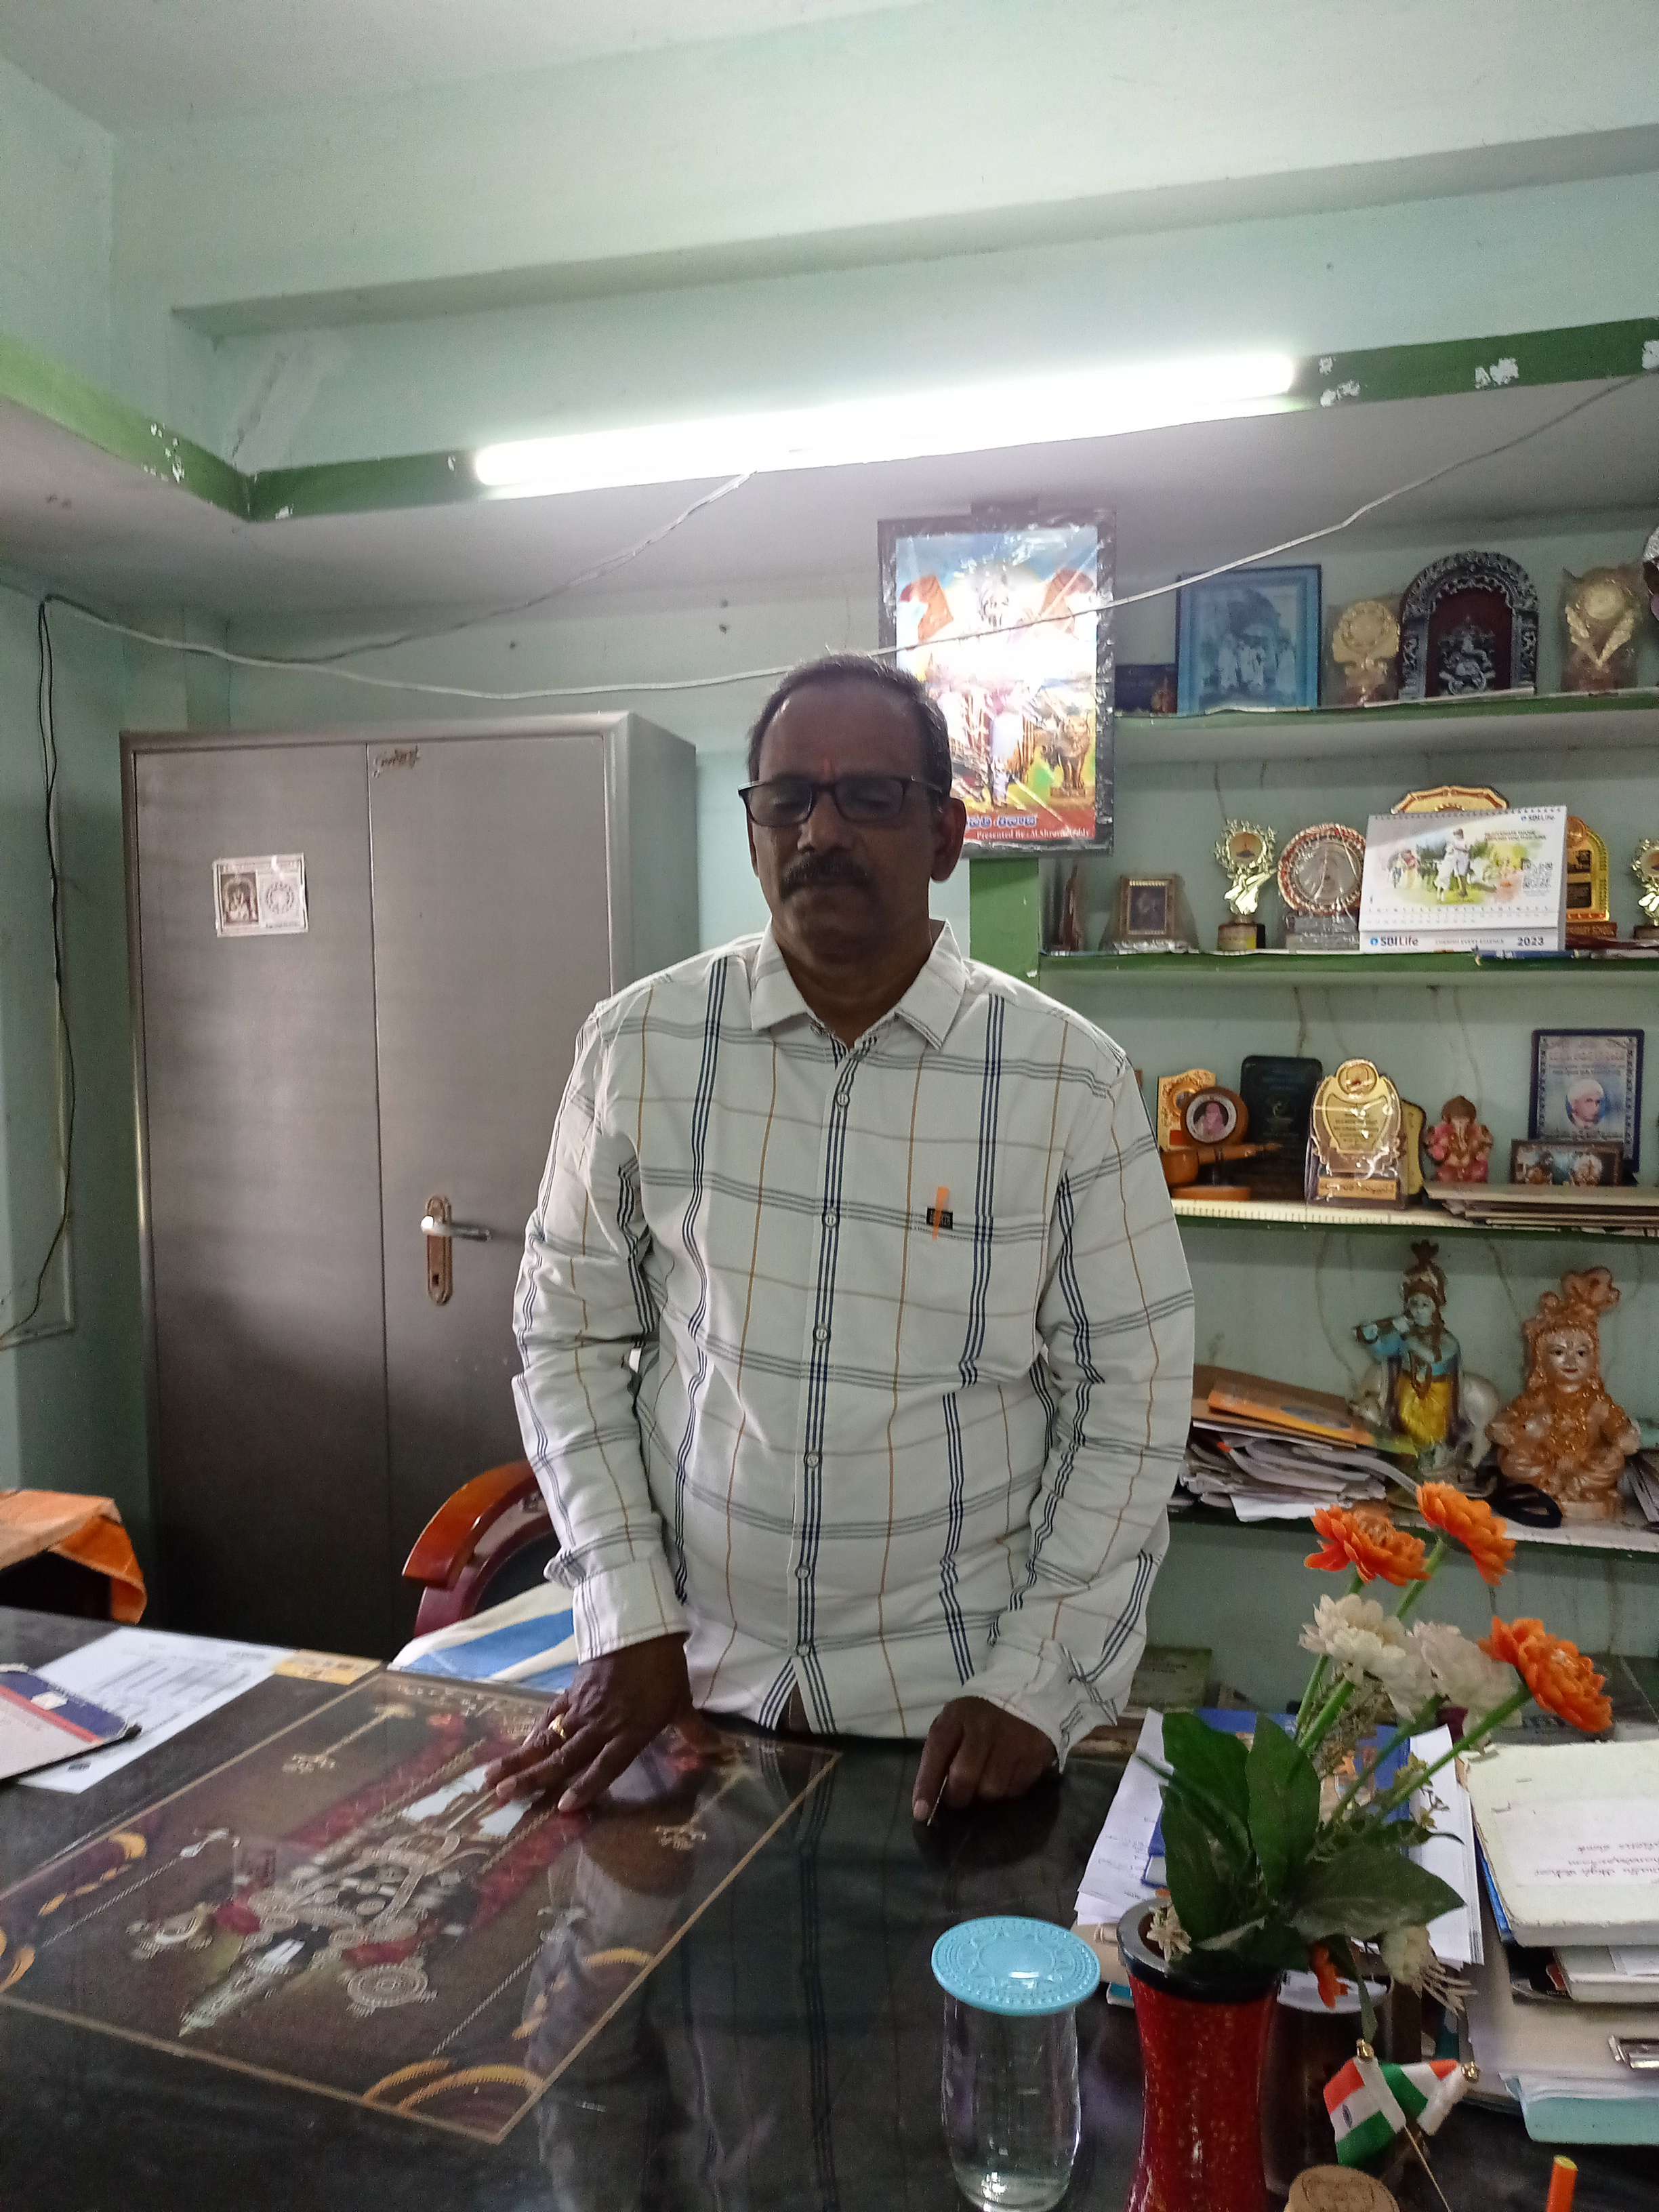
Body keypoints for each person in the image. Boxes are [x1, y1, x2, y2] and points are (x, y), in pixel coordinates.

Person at [485, 655, 1193, 1823]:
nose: (821, 831)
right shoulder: (639, 1048)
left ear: (945, 836)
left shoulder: (1069, 1081)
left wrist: (1039, 1678)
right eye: (789, 800)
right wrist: (626, 1609)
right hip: (684, 1689)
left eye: (869, 797)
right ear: (754, 829)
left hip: (956, 1718)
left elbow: (1132, 1397)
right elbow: (565, 1337)